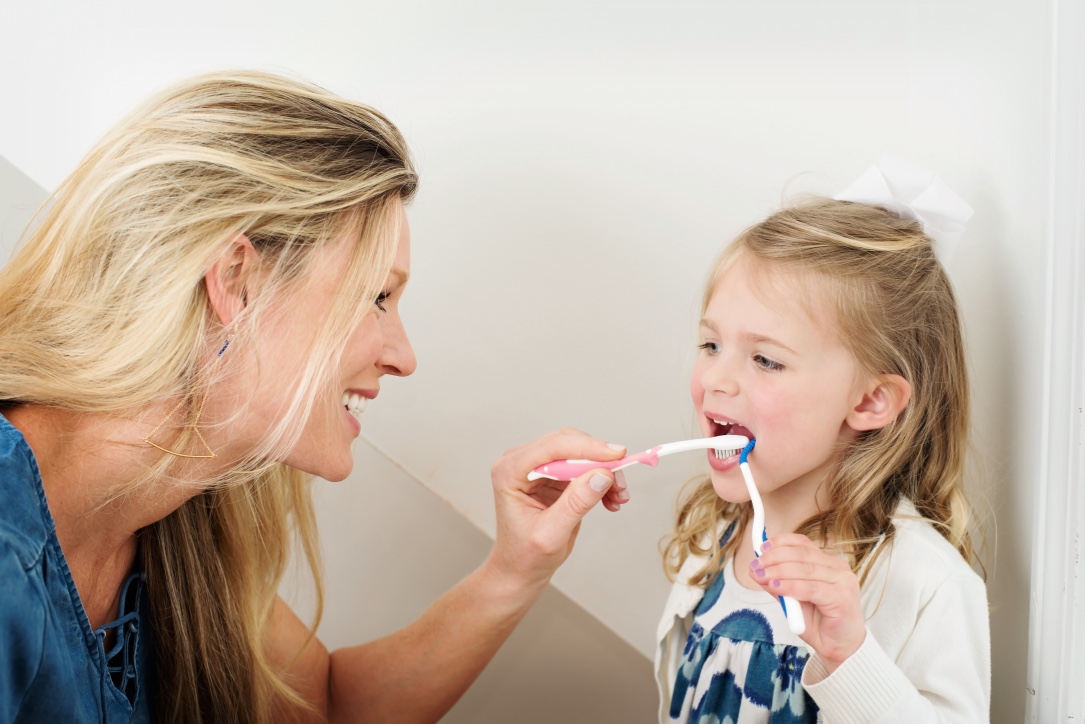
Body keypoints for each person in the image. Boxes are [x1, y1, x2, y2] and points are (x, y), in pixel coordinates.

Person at [0, 70, 631, 724]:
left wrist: (514, 569)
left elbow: (320, 707)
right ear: (236, 281)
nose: (404, 357)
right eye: (376, 296)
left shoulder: (177, 515)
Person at [656, 189, 990, 721]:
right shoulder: (713, 538)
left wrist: (850, 658)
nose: (716, 379)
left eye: (766, 360)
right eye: (711, 345)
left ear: (870, 400)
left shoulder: (926, 582)